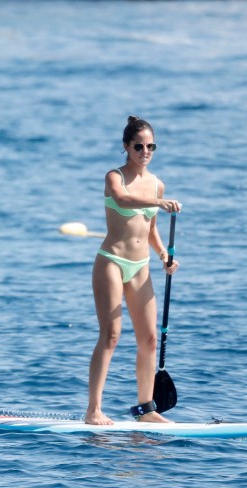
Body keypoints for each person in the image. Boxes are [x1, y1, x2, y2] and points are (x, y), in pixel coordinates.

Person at [86, 116, 182, 426]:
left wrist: (164, 254)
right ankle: (94, 410)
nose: (145, 151)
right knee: (111, 336)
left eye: (150, 146)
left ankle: (146, 410)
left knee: (150, 339)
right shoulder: (115, 177)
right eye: (139, 146)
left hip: (140, 267)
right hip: (111, 262)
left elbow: (151, 227)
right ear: (127, 147)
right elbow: (123, 200)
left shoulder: (157, 183)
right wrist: (159, 201)